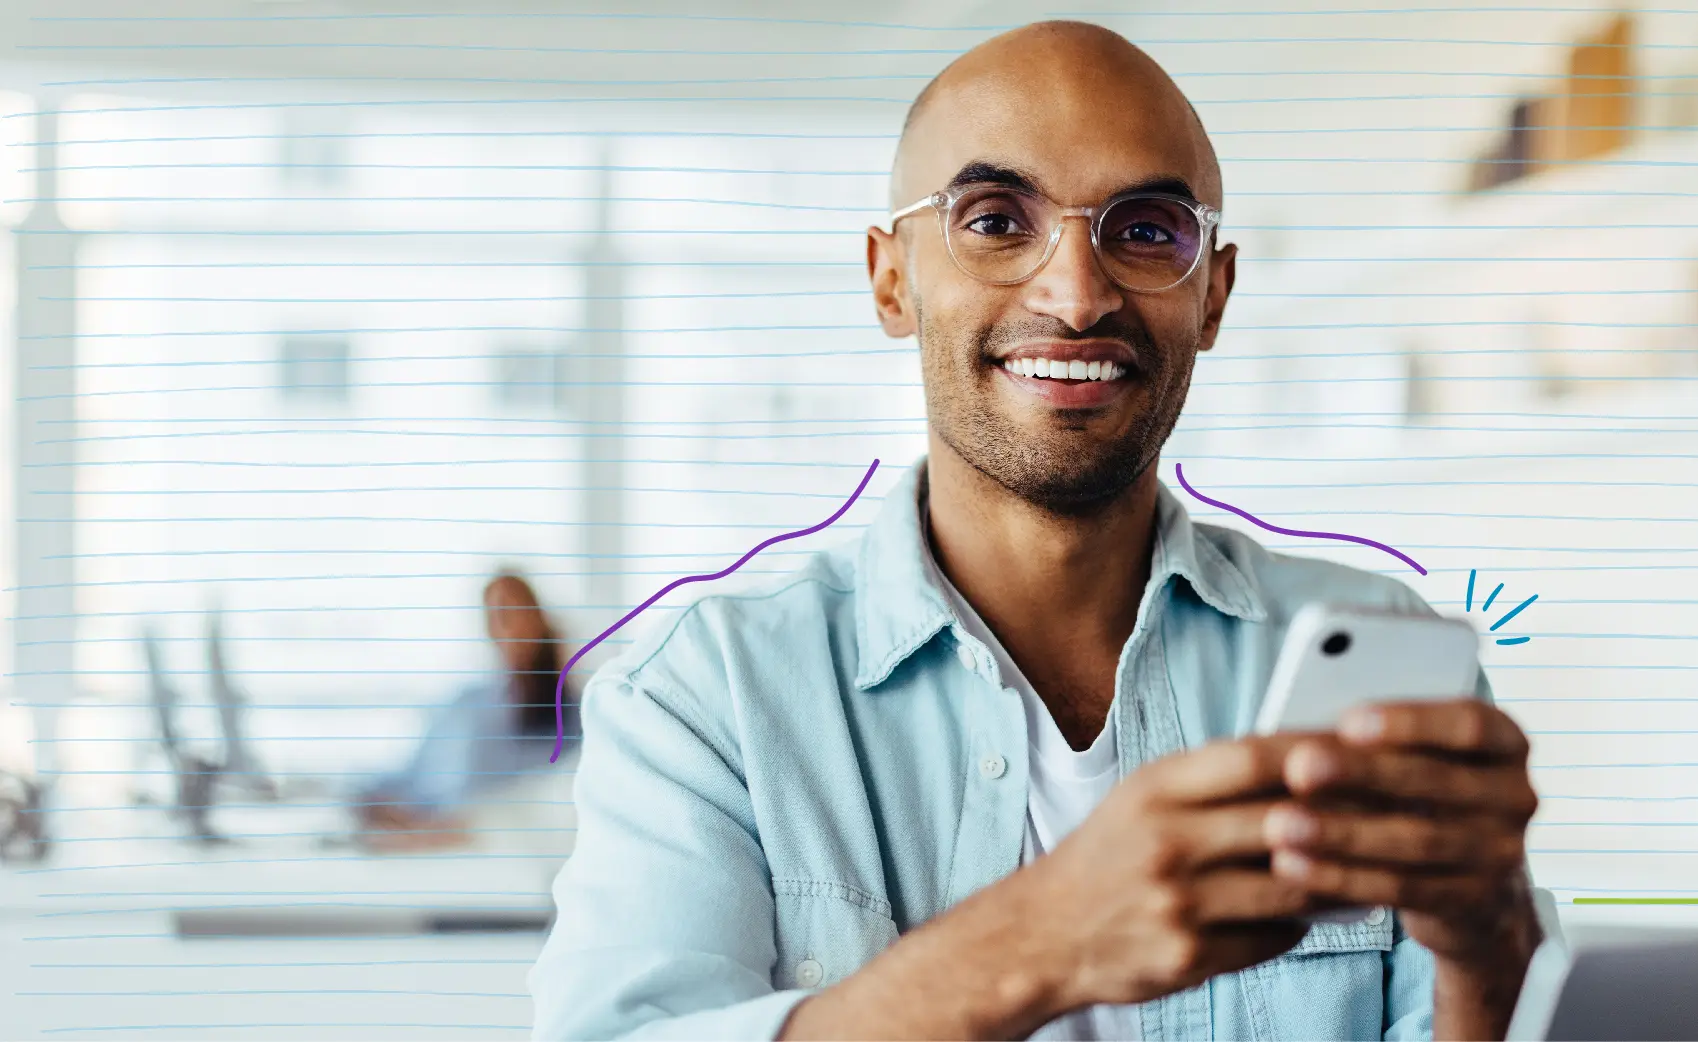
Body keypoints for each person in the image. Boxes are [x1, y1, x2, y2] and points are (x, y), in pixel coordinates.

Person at [531, 21, 1542, 1041]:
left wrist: (1488, 941)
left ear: (1215, 294)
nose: (1075, 293)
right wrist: (1038, 942)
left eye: (1146, 229)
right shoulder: (704, 696)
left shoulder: (1377, 650)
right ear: (892, 280)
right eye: (995, 220)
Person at [354, 570, 577, 852]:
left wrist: (450, 828)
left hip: (482, 843)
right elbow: (409, 776)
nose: (503, 627)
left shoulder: (572, 716)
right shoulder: (465, 704)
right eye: (493, 617)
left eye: (511, 612)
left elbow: (547, 801)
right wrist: (373, 801)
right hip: (423, 830)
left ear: (538, 618)